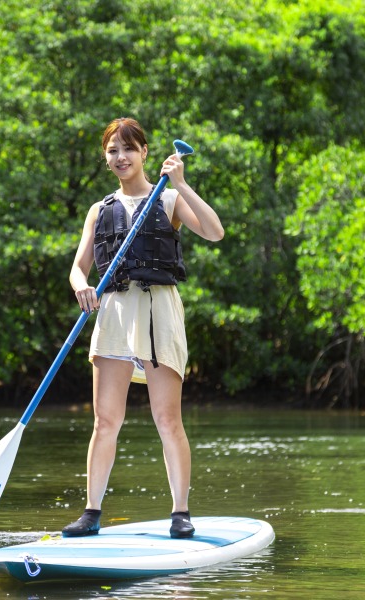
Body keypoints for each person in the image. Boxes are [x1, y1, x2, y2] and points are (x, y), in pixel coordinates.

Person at [64, 117, 225, 539]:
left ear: (144, 153)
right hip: (114, 311)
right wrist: (82, 288)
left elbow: (214, 231)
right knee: (105, 421)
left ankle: (180, 512)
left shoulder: (168, 199)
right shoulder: (99, 210)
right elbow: (78, 270)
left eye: (128, 149)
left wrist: (182, 183)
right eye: (112, 151)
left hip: (159, 311)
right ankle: (92, 512)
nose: (120, 157)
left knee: (167, 419)